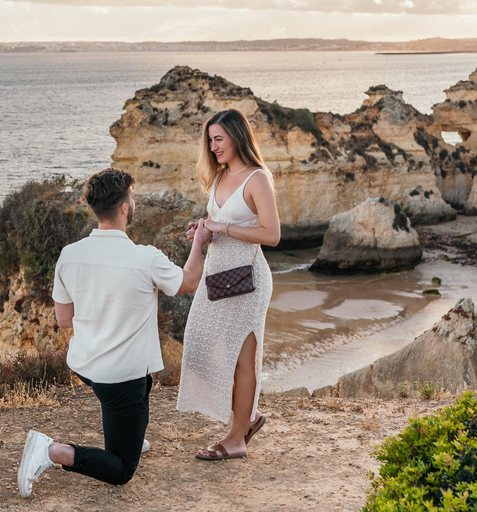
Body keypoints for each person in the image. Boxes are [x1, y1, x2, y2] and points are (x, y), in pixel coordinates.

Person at [18, 168, 212, 498]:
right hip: (121, 377)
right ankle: (50, 452)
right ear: (124, 207)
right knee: (121, 469)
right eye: (132, 197)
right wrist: (200, 243)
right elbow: (189, 282)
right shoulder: (145, 258)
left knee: (132, 399)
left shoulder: (70, 255)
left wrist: (100, 303)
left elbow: (64, 319)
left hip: (85, 365)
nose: (133, 202)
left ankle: (132, 437)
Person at [177, 108, 280, 460]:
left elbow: (272, 234)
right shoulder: (220, 177)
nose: (213, 146)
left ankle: (236, 439)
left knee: (242, 360)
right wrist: (205, 229)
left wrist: (222, 228)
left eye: (218, 139)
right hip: (216, 278)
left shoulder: (258, 179)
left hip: (248, 282)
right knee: (198, 347)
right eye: (210, 140)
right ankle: (247, 414)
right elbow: (221, 220)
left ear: (237, 136)